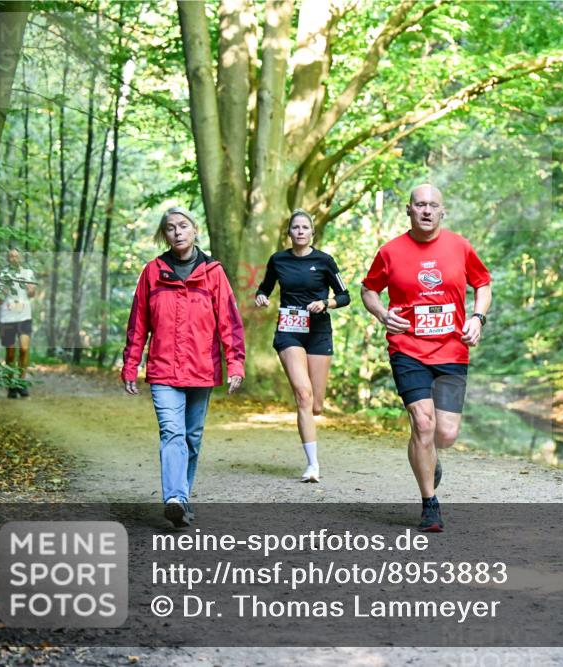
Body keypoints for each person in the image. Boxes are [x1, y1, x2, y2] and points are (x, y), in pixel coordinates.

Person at [361, 184, 491, 532]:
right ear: (409, 210)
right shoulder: (390, 252)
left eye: (433, 205)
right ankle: (429, 503)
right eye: (420, 205)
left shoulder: (460, 246)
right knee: (422, 423)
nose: (427, 211)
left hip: (451, 349)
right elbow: (369, 289)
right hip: (408, 349)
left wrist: (477, 318)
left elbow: (483, 284)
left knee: (445, 434)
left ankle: (427, 455)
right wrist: (381, 314)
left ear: (442, 211)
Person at [121, 207, 245, 528]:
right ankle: (174, 498)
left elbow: (229, 322)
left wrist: (236, 363)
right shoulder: (152, 272)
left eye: (183, 226)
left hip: (202, 369)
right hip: (164, 370)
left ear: (194, 230)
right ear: (165, 235)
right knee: (172, 432)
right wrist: (130, 364)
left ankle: (182, 500)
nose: (177, 232)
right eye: (171, 228)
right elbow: (138, 323)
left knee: (192, 436)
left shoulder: (213, 273)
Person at [254, 209, 350, 483]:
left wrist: (326, 303)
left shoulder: (324, 261)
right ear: (289, 232)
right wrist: (261, 297)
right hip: (289, 331)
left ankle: (311, 435)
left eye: (304, 227)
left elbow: (345, 296)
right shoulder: (278, 260)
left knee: (316, 405)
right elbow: (265, 288)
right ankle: (312, 465)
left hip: (318, 331)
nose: (299, 231)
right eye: (295, 227)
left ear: (311, 232)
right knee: (304, 395)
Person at [0, 249, 36, 398]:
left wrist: (31, 289)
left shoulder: (27, 273)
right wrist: (3, 291)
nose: (13, 258)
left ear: (20, 258)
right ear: (8, 259)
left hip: (24, 316)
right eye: (10, 256)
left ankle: (21, 382)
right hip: (7, 317)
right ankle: (11, 385)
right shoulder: (2, 275)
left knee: (24, 349)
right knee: (10, 353)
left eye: (16, 256)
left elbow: (32, 294)